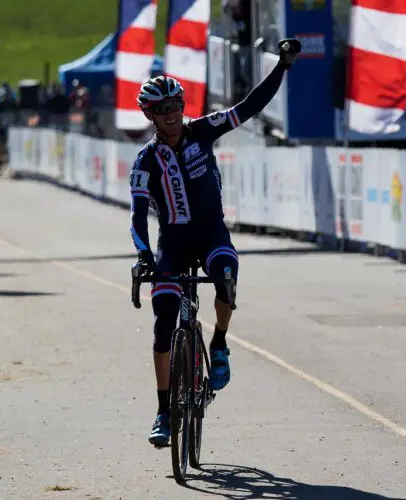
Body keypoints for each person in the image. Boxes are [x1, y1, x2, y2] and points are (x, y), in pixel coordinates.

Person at [130, 38, 301, 447]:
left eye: (175, 107)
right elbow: (137, 215)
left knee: (226, 274)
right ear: (150, 115)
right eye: (162, 110)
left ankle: (219, 341)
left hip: (210, 234)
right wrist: (142, 255)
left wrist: (282, 66)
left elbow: (251, 105)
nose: (171, 116)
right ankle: (163, 410)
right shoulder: (145, 162)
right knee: (162, 323)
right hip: (171, 243)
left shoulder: (204, 130)